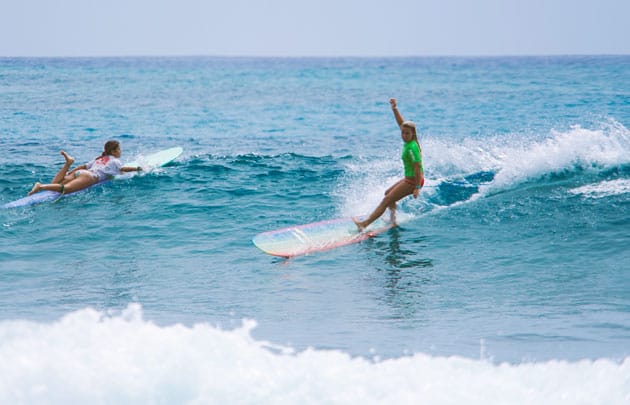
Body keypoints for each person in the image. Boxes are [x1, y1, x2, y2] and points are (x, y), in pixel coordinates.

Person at [353, 98, 424, 231]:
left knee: (386, 201)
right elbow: (402, 124)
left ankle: (364, 224)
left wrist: (417, 187)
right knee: (388, 194)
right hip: (409, 179)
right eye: (402, 132)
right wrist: (394, 108)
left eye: (407, 133)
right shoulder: (409, 141)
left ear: (412, 134)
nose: (403, 135)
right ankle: (393, 220)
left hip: (413, 181)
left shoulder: (412, 147)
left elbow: (418, 167)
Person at [27, 140, 142, 196]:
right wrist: (137, 169)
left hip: (82, 172)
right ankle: (40, 186)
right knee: (65, 189)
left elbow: (83, 166)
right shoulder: (115, 161)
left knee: (56, 183)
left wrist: (70, 173)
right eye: (119, 149)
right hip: (90, 177)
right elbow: (123, 169)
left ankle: (68, 163)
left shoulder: (100, 158)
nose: (120, 151)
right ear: (113, 151)